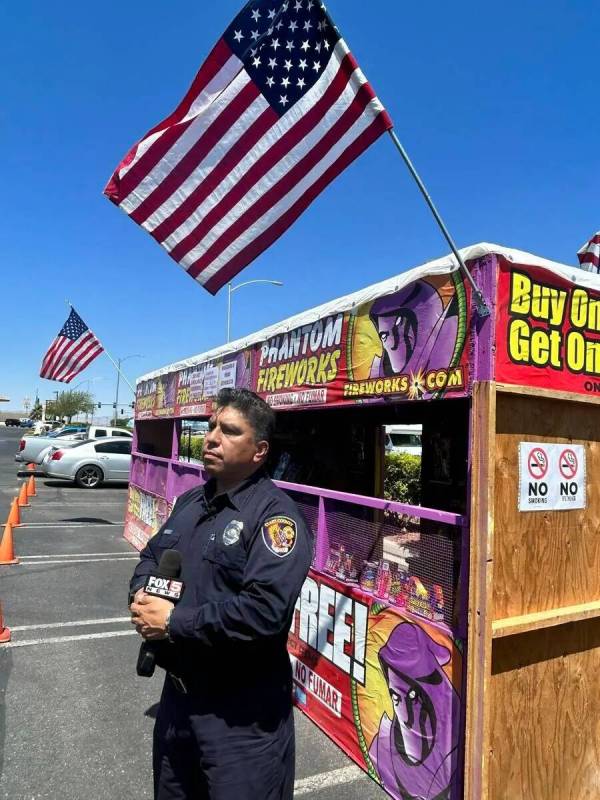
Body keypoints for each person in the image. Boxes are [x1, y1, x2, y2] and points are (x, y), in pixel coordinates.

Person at [129, 388, 313, 800]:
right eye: (212, 426)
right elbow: (151, 557)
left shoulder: (276, 518)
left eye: (229, 431)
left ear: (259, 450)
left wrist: (173, 622)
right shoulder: (190, 503)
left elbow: (264, 611)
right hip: (177, 702)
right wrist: (142, 596)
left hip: (241, 718)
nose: (212, 437)